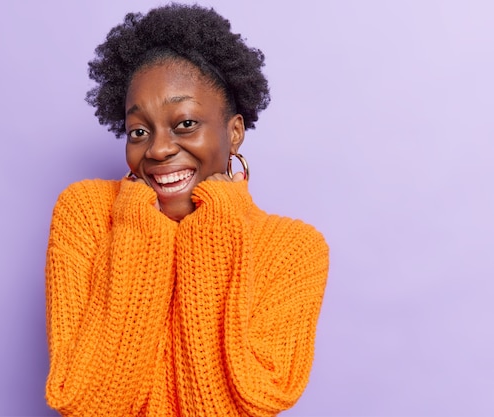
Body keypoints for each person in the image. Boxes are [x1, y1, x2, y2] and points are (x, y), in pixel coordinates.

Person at [44, 4, 329, 416]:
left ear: (233, 133)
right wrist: (138, 226)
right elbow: (86, 403)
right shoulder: (87, 212)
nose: (158, 149)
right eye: (139, 131)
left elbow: (242, 406)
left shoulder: (294, 249)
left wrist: (215, 226)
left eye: (185, 124)